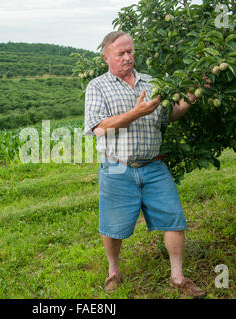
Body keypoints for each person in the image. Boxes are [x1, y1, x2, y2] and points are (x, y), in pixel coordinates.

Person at [84, 31, 206, 298]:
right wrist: (134, 113)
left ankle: (178, 277)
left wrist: (191, 97)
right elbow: (98, 127)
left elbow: (169, 115)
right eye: (121, 53)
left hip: (153, 165)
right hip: (117, 166)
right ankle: (113, 272)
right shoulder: (97, 86)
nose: (128, 57)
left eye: (130, 52)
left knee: (174, 219)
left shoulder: (152, 83)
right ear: (107, 57)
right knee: (113, 226)